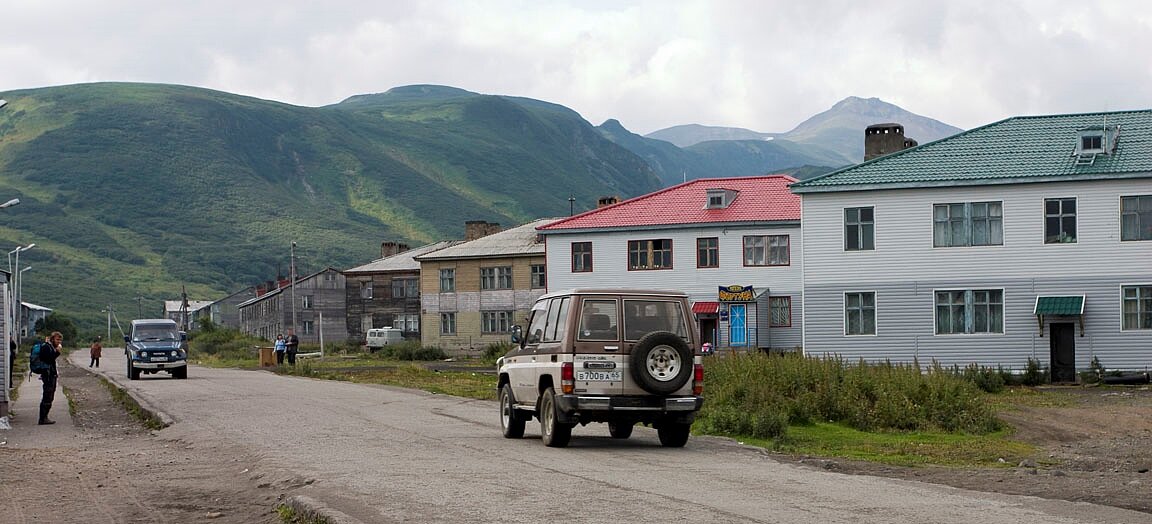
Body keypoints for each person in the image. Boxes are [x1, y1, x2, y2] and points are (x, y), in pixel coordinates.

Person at [33, 332, 63, 425]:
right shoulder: (46, 347)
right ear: (52, 339)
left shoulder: (50, 347)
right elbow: (48, 359)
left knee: (50, 396)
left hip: (51, 374)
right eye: (57, 339)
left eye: (60, 340)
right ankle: (42, 418)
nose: (59, 342)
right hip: (48, 375)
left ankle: (45, 417)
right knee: (47, 396)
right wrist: (57, 352)